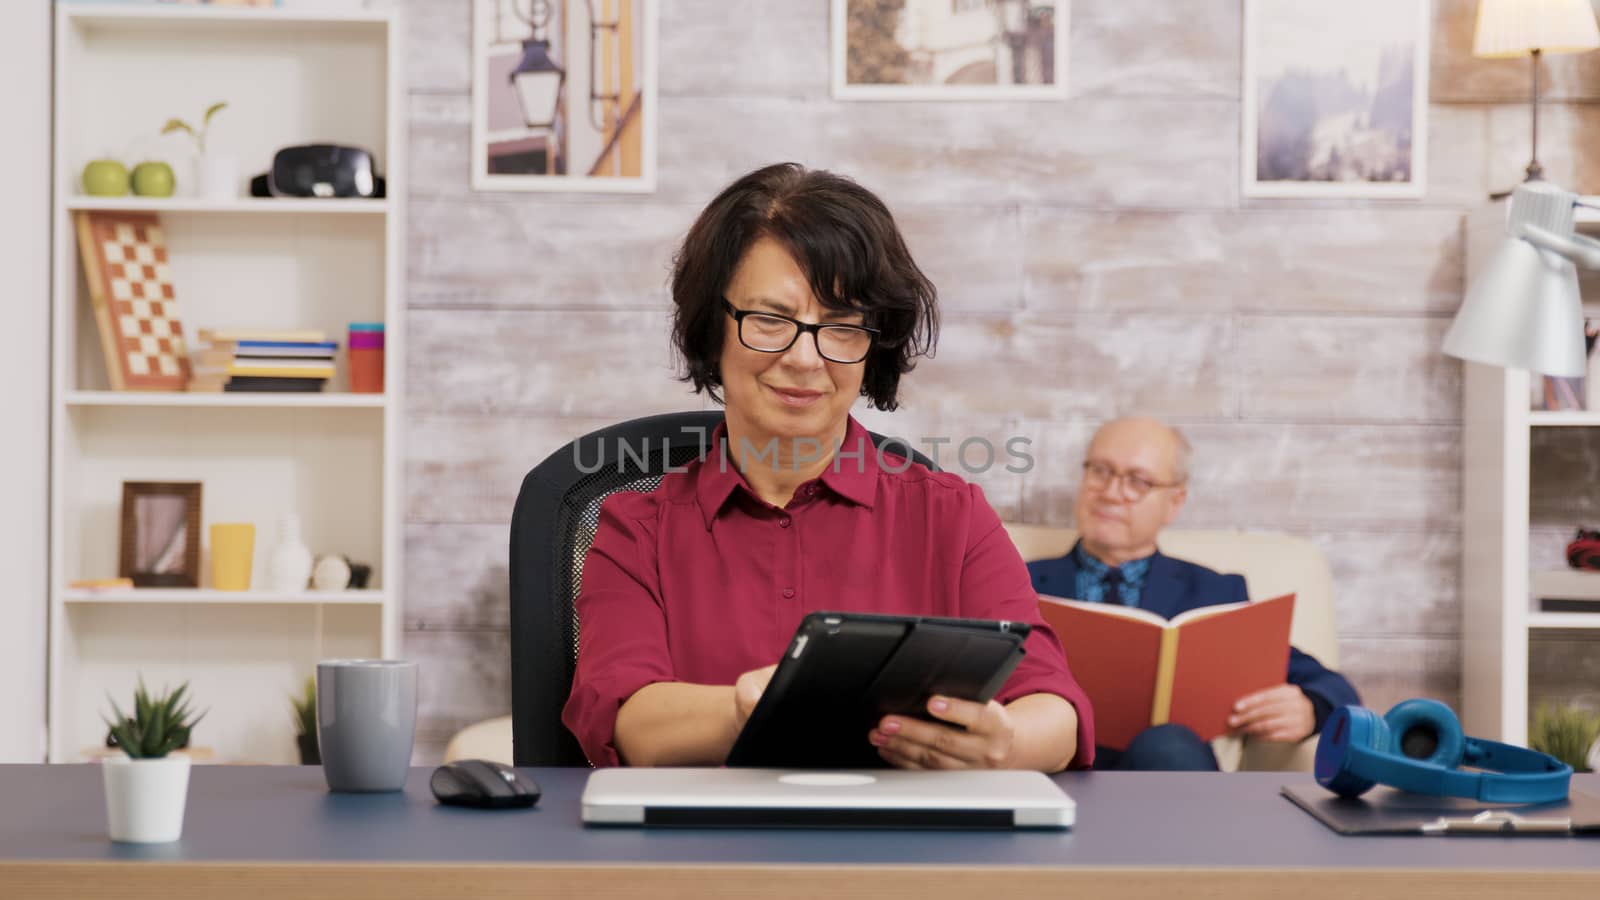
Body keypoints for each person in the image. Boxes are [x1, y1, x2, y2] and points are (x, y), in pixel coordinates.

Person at [562, 162, 1094, 771]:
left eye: (841, 326)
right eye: (770, 321)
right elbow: (630, 722)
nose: (805, 358)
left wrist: (1003, 743)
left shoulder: (952, 516)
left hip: (905, 855)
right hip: (705, 855)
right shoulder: (637, 526)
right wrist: (747, 708)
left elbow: (1055, 711)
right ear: (714, 327)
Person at [1026, 416, 1359, 771]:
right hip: (1051, 770)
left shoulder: (1215, 593)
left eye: (1137, 481)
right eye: (1100, 471)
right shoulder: (1016, 581)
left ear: (1175, 501)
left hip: (1166, 774)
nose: (1110, 493)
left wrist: (1311, 707)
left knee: (1166, 743)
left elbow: (1334, 687)